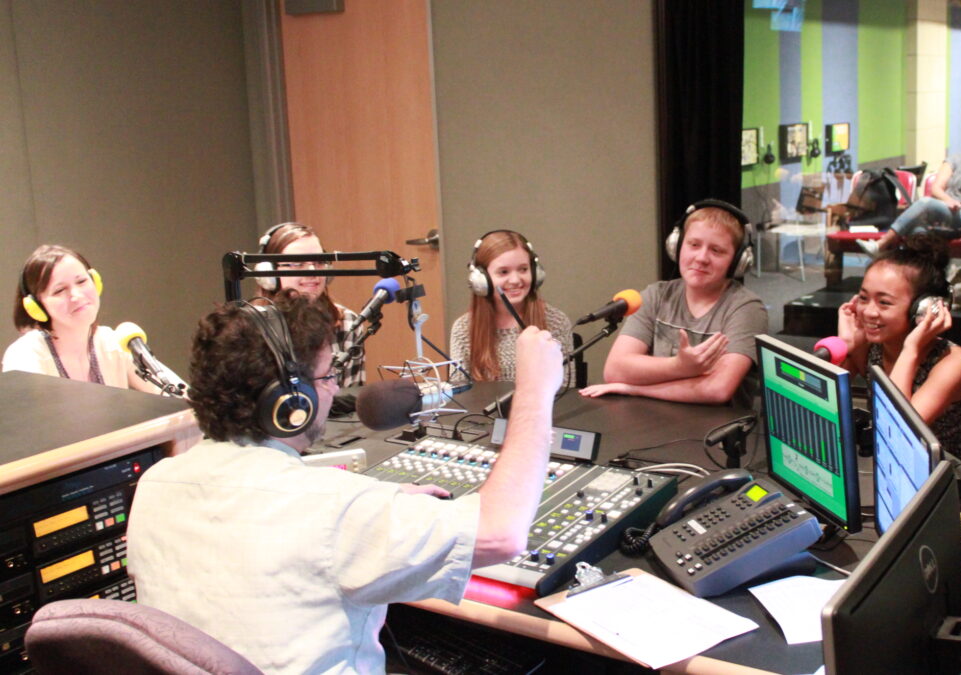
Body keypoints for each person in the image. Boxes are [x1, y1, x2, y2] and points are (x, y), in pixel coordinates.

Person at [127, 291, 563, 673]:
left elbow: (260, 511)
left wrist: (381, 499)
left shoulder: (155, 485)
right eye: (326, 376)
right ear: (289, 403)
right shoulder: (333, 510)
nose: (335, 390)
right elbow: (502, 531)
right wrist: (535, 389)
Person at [580, 199, 768, 405]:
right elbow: (615, 370)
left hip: (716, 424)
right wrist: (679, 366)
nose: (701, 258)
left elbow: (717, 389)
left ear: (737, 262)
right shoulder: (656, 295)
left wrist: (634, 388)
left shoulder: (746, 308)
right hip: (651, 418)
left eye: (716, 250)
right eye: (694, 245)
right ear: (677, 246)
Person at [837, 235, 961, 472]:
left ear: (923, 308)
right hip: (894, 473)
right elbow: (821, 405)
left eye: (884, 303)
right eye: (863, 298)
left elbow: (897, 432)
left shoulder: (953, 362)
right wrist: (847, 344)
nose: (869, 312)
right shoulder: (872, 347)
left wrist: (911, 349)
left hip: (951, 482)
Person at [4, 244, 162, 393]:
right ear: (36, 306)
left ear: (96, 282)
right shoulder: (25, 355)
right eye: (59, 290)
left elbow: (173, 393)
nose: (76, 295)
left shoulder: (113, 343)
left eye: (82, 281)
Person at [858, 118, 961, 256]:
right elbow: (936, 189)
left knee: (925, 202)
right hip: (948, 216)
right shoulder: (956, 160)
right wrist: (948, 200)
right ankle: (925, 272)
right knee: (918, 231)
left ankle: (881, 244)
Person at [450, 230, 574, 384]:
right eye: (503, 272)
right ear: (481, 280)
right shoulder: (463, 329)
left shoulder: (556, 321)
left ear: (535, 272)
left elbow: (566, 386)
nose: (515, 280)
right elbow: (459, 392)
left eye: (523, 269)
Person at [257, 222, 366, 387]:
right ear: (268, 273)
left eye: (318, 261)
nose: (312, 271)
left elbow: (349, 396)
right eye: (298, 263)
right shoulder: (252, 328)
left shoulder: (348, 323)